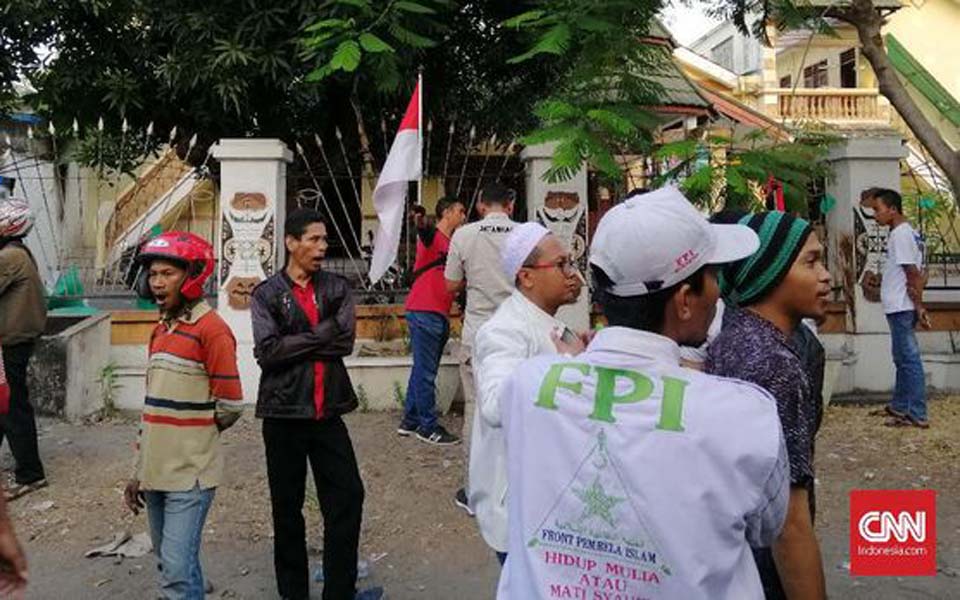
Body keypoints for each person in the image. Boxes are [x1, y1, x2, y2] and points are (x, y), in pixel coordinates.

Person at [498, 187, 790, 598]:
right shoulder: (744, 414)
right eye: (712, 276)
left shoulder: (527, 385)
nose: (719, 291)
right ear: (685, 299)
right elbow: (766, 527)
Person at [251, 209, 378, 600]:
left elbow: (344, 343)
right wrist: (322, 333)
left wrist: (304, 340)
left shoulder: (337, 288)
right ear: (291, 242)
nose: (322, 248)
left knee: (347, 498)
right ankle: (294, 594)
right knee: (286, 510)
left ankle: (339, 592)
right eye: (314, 239)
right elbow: (268, 352)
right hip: (283, 413)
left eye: (325, 240)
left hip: (327, 413)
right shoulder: (266, 293)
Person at [706, 211, 831, 600]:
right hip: (761, 561)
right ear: (769, 273)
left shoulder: (733, 337)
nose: (826, 275)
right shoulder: (775, 363)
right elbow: (789, 524)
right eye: (810, 262)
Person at [123, 231, 244, 599]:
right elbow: (152, 408)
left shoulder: (213, 330)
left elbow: (231, 405)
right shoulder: (161, 329)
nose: (157, 282)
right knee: (170, 558)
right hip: (155, 470)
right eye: (153, 274)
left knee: (175, 569)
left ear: (192, 277)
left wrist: (194, 434)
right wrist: (137, 472)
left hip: (190, 473)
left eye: (167, 274)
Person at [469, 222, 584, 567]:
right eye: (561, 264)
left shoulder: (549, 324)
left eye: (571, 263)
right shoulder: (505, 330)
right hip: (520, 507)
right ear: (526, 276)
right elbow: (494, 404)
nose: (572, 274)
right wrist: (568, 365)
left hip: (548, 500)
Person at [444, 183, 519, 514]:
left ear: (479, 206)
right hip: (518, 333)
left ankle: (475, 492)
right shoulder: (525, 234)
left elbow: (450, 284)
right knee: (518, 407)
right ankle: (516, 487)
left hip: (479, 335)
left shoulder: (464, 236)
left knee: (475, 407)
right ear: (511, 206)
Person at [398, 196, 467, 444]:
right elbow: (425, 228)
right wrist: (419, 216)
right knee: (427, 373)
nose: (464, 216)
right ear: (446, 212)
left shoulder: (452, 243)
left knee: (423, 370)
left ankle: (410, 420)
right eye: (460, 211)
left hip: (436, 312)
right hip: (424, 310)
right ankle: (428, 427)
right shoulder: (433, 236)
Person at [0, 198, 47, 501]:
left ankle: (31, 474)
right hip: (14, 339)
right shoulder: (17, 252)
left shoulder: (9, 257)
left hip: (10, 342)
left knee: (13, 406)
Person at [873, 188, 931, 428]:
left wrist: (918, 306)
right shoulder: (904, 233)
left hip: (901, 304)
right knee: (902, 358)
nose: (875, 215)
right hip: (898, 303)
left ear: (893, 209)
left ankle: (916, 413)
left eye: (878, 209)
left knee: (908, 359)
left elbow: (912, 273)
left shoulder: (900, 235)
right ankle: (900, 406)